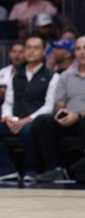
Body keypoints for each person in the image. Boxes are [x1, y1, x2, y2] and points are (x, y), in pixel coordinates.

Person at [0, 35, 58, 183]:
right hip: (16, 120)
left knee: (28, 130)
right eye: (28, 48)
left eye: (36, 48)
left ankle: (31, 169)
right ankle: (6, 168)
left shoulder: (51, 76)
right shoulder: (16, 76)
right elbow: (8, 102)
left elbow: (49, 106)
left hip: (36, 121)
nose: (31, 51)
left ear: (43, 52)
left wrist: (27, 120)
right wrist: (8, 118)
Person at [33, 36, 85, 183]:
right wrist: (63, 114)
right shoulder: (65, 76)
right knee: (42, 121)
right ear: (74, 53)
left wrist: (77, 115)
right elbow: (59, 105)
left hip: (82, 120)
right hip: (69, 120)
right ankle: (55, 169)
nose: (82, 52)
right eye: (78, 48)